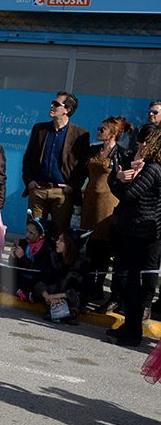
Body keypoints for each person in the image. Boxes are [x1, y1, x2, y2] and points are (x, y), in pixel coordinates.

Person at [106, 129, 161, 346]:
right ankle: (131, 328)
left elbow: (128, 196)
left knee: (127, 279)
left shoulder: (153, 169)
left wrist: (117, 180)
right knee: (130, 280)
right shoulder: (154, 169)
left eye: (148, 142)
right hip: (143, 230)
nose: (143, 146)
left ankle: (131, 331)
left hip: (136, 230)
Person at [21, 91, 90, 233]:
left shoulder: (81, 135)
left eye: (57, 104)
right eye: (52, 103)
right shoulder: (39, 129)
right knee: (34, 233)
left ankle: (56, 257)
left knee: (60, 234)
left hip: (62, 194)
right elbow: (28, 158)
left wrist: (72, 186)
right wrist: (29, 181)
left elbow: (83, 166)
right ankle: (31, 256)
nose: (52, 106)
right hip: (38, 190)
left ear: (67, 110)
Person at [81, 116, 131, 304]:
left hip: (107, 200)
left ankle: (98, 284)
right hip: (90, 199)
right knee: (89, 242)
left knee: (102, 245)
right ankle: (87, 281)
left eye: (103, 130)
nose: (99, 131)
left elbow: (124, 180)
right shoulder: (94, 149)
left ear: (114, 134)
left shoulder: (122, 154)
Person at [35, 229, 91, 325]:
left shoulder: (82, 263)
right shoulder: (54, 257)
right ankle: (53, 306)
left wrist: (60, 296)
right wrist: (48, 296)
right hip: (52, 295)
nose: (56, 242)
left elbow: (82, 290)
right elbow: (41, 279)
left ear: (69, 245)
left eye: (61, 241)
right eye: (58, 239)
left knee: (70, 279)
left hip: (69, 297)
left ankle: (71, 310)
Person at [7, 214, 55, 302]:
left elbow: (38, 271)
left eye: (32, 233)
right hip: (22, 277)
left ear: (41, 236)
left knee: (38, 285)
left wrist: (22, 257)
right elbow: (13, 267)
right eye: (27, 231)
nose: (27, 235)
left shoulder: (46, 248)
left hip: (36, 279)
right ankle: (21, 291)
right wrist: (13, 257)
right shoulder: (23, 243)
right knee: (0, 270)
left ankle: (25, 293)